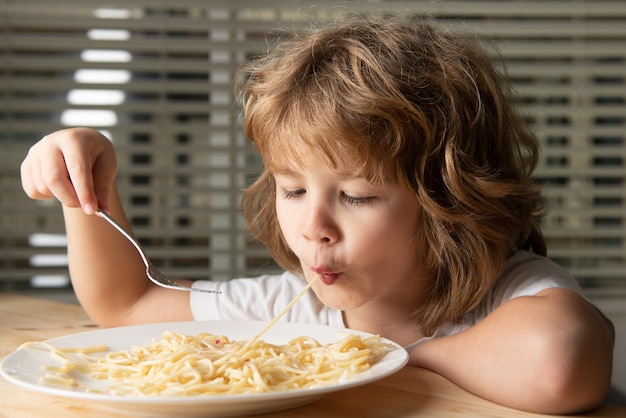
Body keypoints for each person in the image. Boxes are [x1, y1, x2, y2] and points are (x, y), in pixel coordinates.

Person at [20, 16, 614, 414]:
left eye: (356, 196)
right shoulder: (292, 314)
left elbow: (560, 361)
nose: (313, 227)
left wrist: (398, 351)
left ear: (451, 204)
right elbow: (126, 304)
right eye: (292, 190)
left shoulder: (508, 292)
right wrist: (85, 192)